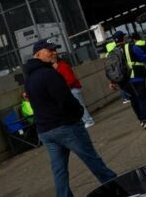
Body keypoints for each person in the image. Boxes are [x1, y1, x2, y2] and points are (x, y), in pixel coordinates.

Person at [24, 40, 116, 196]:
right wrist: (78, 111)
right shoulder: (49, 74)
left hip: (45, 130)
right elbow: (65, 98)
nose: (54, 53)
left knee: (59, 171)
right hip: (65, 126)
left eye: (55, 50)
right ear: (38, 53)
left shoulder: (29, 79)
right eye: (50, 50)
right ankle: (117, 188)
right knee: (92, 160)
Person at [108, 31, 146, 128]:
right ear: (123, 38)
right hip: (137, 77)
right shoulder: (131, 47)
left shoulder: (112, 52)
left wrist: (112, 81)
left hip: (124, 82)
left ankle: (141, 120)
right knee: (142, 98)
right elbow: (144, 56)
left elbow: (112, 67)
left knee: (133, 99)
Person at [53, 56, 95, 128]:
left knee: (80, 106)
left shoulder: (62, 67)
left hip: (73, 89)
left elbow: (71, 80)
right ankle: (87, 120)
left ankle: (89, 121)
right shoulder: (61, 67)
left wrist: (64, 87)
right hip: (72, 89)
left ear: (55, 62)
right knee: (79, 106)